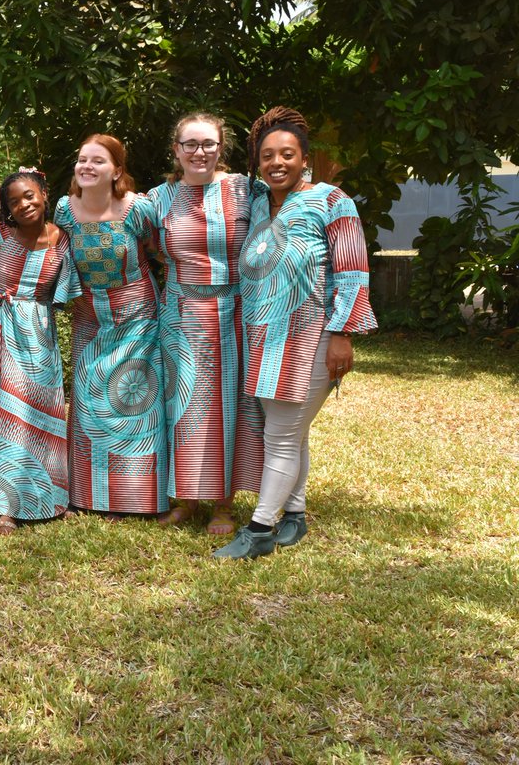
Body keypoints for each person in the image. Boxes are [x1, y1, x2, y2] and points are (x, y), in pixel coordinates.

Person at [215, 107, 377, 559]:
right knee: (290, 431)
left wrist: (343, 333)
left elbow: (352, 270)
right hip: (264, 336)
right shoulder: (257, 201)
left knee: (282, 435)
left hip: (312, 337)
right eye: (267, 156)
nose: (277, 163)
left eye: (287, 154)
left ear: (305, 158)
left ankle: (259, 529)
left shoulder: (331, 199)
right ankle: (295, 515)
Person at [147, 112, 263, 535]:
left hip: (234, 312)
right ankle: (186, 498)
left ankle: (224, 506)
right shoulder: (158, 197)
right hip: (179, 314)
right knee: (183, 406)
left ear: (221, 148)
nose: (200, 152)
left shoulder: (246, 190)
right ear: (176, 150)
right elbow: (133, 236)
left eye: (208, 144)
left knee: (231, 407)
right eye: (190, 144)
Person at [55, 135, 167, 518]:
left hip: (137, 317)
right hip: (89, 319)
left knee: (134, 402)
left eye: (98, 161)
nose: (87, 166)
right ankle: (87, 497)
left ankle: (135, 497)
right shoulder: (64, 211)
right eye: (82, 159)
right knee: (88, 405)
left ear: (116, 171)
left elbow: (160, 254)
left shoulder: (137, 209)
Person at [0, 169, 80, 535]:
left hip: (40, 331)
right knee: (9, 413)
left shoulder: (62, 239)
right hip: (1, 326)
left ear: (43, 192)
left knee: (46, 412)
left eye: (29, 196)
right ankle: (6, 506)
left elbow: (66, 294)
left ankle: (53, 498)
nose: (23, 205)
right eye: (13, 202)